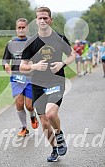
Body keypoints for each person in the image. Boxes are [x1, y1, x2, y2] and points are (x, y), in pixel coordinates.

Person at [20, 7, 75, 162]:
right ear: (36, 21)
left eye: (45, 18)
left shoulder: (60, 38)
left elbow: (72, 55)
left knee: (51, 114)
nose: (43, 21)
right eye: (40, 18)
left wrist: (62, 63)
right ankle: (54, 149)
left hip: (56, 80)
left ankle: (59, 134)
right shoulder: (31, 42)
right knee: (44, 122)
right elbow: (22, 67)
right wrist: (34, 66)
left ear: (51, 20)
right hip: (37, 84)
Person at [2, 18, 38, 137]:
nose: (21, 29)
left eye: (23, 27)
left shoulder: (32, 42)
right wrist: (6, 65)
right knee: (19, 104)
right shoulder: (10, 44)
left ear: (27, 28)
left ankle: (33, 116)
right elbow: (5, 59)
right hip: (16, 78)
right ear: (16, 29)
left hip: (30, 77)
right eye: (19, 27)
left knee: (29, 105)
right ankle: (24, 127)